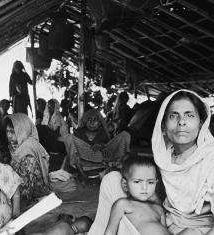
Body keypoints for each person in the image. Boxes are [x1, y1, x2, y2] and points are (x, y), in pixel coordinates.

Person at [88, 89, 214, 235]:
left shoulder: (210, 159)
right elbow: (155, 197)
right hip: (165, 224)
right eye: (173, 116)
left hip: (198, 231)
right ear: (164, 125)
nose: (181, 122)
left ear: (201, 123)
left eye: (189, 115)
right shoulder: (164, 157)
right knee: (113, 180)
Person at [104, 156, 169, 235]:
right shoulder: (123, 204)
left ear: (156, 183)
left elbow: (165, 230)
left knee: (188, 230)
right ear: (125, 185)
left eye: (150, 182)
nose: (145, 187)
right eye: (137, 182)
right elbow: (110, 231)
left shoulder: (158, 209)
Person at [63, 109, 131, 181]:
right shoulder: (79, 132)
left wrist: (102, 146)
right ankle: (81, 173)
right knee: (69, 137)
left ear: (99, 123)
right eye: (89, 120)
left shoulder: (103, 132)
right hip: (83, 158)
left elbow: (108, 145)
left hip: (101, 158)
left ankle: (117, 166)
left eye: (95, 120)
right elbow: (75, 148)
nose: (92, 123)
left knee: (125, 135)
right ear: (85, 122)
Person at [5, 113, 50, 205]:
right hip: (19, 184)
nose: (9, 135)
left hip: (33, 190)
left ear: (22, 130)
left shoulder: (29, 146)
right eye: (7, 131)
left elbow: (28, 177)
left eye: (13, 132)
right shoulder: (15, 144)